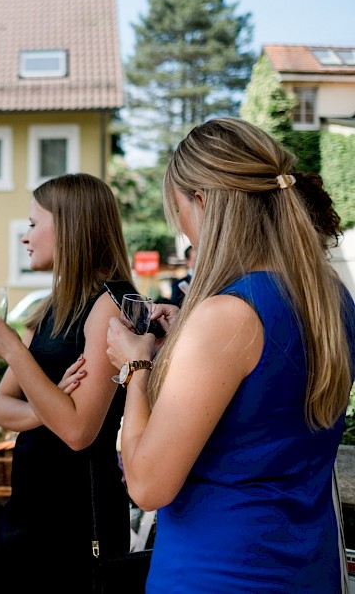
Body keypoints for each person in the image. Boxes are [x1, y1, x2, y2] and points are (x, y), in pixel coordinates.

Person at [105, 118, 355, 592]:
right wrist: (187, 342)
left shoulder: (227, 317)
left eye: (178, 212)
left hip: (218, 572)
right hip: (308, 570)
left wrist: (136, 365)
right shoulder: (331, 298)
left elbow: (147, 485)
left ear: (202, 203)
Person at [0, 173, 133, 592]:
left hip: (78, 517)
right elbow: (0, 407)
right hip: (28, 509)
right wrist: (51, 404)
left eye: (32, 223)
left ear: (68, 226)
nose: (25, 237)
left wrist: (13, 351)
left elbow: (79, 431)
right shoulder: (51, 310)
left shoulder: (111, 306)